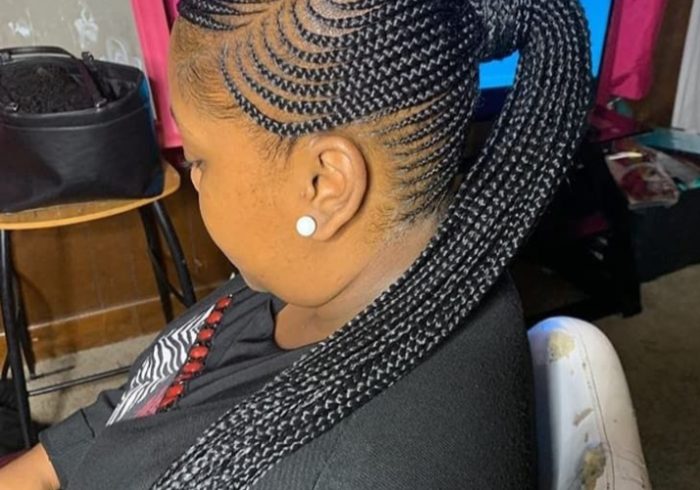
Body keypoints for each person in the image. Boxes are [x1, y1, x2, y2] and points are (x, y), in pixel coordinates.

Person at [0, 0, 591, 488]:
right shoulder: (344, 270)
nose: (193, 179)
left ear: (325, 185)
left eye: (199, 159)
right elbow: (152, 398)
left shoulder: (351, 466)